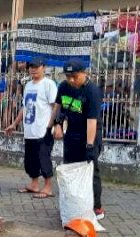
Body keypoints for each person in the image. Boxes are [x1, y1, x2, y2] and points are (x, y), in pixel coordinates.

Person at [52, 58, 105, 220]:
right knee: (71, 170)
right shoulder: (63, 87)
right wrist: (54, 125)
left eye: (74, 76)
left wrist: (90, 146)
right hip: (71, 135)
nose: (71, 80)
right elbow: (58, 107)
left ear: (84, 73)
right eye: (68, 76)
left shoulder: (92, 91)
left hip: (89, 135)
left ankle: (96, 207)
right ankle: (73, 204)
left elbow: (92, 121)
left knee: (90, 171)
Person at [5, 57, 58, 199]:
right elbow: (25, 106)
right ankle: (34, 184)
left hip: (43, 129)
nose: (33, 70)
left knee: (44, 159)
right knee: (30, 160)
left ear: (43, 67)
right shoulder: (28, 85)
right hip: (29, 130)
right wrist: (15, 123)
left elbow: (55, 107)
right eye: (31, 67)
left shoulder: (49, 84)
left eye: (36, 67)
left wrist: (53, 125)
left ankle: (48, 187)